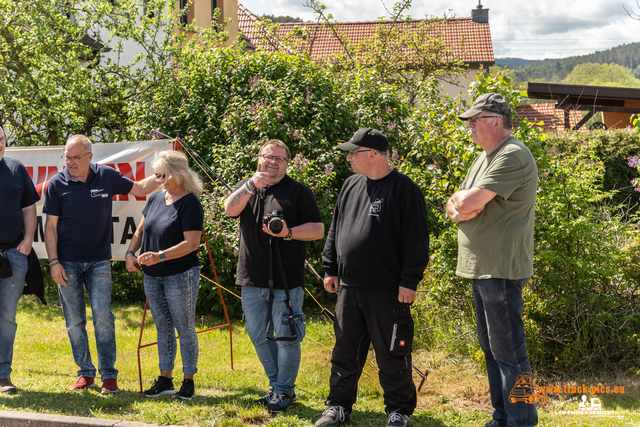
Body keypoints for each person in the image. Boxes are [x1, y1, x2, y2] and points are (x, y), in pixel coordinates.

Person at [316, 128, 430, 427]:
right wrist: (330, 268)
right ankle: (338, 407)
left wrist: (409, 280)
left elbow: (417, 239)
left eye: (354, 153)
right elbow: (336, 229)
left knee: (393, 352)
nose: (349, 158)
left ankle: (398, 411)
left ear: (374, 154)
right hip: (349, 288)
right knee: (345, 351)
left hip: (388, 290)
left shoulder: (404, 189)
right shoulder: (350, 185)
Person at [446, 93, 538, 427]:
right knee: (492, 351)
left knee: (509, 352)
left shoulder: (512, 155)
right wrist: (463, 203)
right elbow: (455, 203)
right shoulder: (485, 157)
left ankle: (522, 421)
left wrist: (465, 202)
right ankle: (502, 418)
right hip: (483, 267)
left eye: (475, 120)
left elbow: (469, 200)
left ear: (496, 121)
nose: (469, 126)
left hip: (500, 268)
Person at [43, 134, 160, 394]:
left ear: (89, 157)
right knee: (74, 321)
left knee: (103, 318)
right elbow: (50, 226)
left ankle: (109, 376)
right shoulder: (56, 184)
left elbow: (140, 189)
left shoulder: (106, 176)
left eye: (75, 157)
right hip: (67, 262)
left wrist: (164, 175)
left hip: (99, 261)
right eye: (67, 157)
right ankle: (85, 373)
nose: (70, 162)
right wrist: (53, 262)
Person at [224, 139, 324, 412]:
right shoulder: (248, 187)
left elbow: (318, 230)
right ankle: (278, 387)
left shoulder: (299, 192)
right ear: (259, 158)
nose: (273, 162)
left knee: (287, 337)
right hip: (250, 276)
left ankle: (282, 391)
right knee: (258, 334)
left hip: (287, 278)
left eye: (279, 159)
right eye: (269, 156)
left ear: (287, 163)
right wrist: (249, 186)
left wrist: (288, 233)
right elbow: (229, 209)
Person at [125, 150, 204, 400]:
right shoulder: (156, 198)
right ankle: (165, 379)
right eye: (157, 175)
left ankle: (188, 380)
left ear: (179, 174)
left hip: (181, 274)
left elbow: (192, 244)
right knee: (163, 327)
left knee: (185, 327)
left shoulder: (190, 203)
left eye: (164, 175)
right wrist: (129, 252)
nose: (160, 180)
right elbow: (139, 231)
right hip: (153, 275)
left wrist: (159, 255)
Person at [0, 126, 40, 395]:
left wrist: (27, 241)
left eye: (1, 140)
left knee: (6, 317)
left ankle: (3, 376)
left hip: (14, 254)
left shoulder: (16, 168)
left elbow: (29, 207)